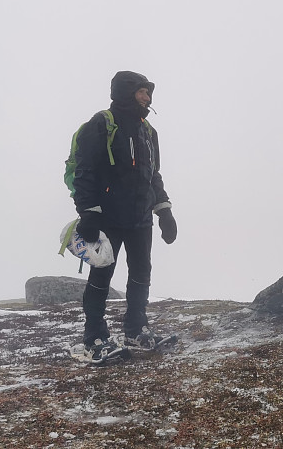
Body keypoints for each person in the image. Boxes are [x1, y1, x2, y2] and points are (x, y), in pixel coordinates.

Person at [71, 71, 178, 361]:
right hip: (107, 217)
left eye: (148, 92)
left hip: (141, 217)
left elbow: (152, 174)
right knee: (101, 275)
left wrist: (164, 210)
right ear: (125, 92)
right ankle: (94, 337)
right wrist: (89, 213)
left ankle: (136, 329)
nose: (147, 97)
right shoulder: (101, 124)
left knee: (142, 273)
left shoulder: (148, 131)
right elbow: (84, 172)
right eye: (142, 91)